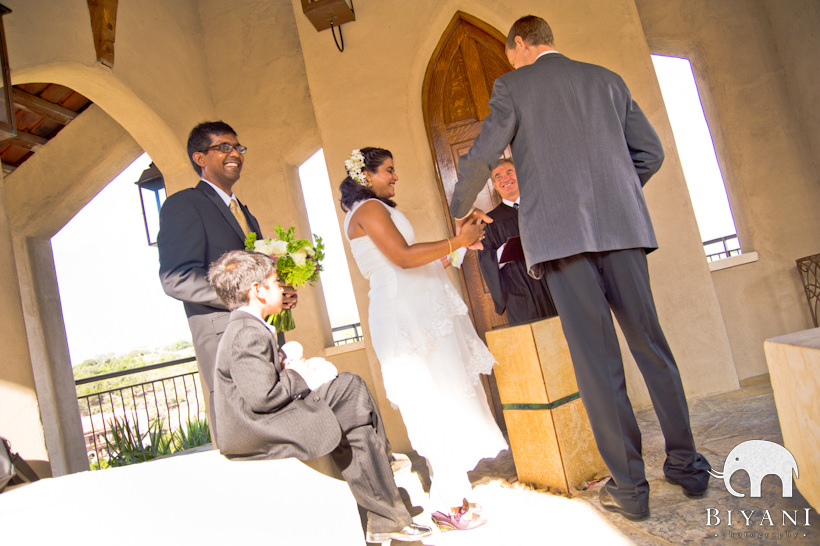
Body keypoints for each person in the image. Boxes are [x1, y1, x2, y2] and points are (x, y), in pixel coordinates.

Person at [449, 16, 710, 521]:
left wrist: (461, 207)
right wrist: (617, 193)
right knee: (652, 348)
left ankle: (632, 490)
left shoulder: (513, 86)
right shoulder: (607, 80)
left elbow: (482, 154)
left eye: (512, 53)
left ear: (520, 44)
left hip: (563, 245)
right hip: (624, 234)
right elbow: (650, 153)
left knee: (597, 363)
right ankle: (687, 465)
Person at [206, 250, 431, 544]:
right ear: (258, 291)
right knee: (349, 388)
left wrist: (287, 366)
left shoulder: (247, 327)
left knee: (355, 420)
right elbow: (263, 397)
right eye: (276, 282)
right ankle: (383, 477)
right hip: (258, 431)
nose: (282, 288)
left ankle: (385, 513)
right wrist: (297, 373)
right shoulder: (246, 331)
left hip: (264, 421)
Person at [340, 147, 507, 532]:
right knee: (429, 402)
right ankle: (446, 503)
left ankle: (454, 498)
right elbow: (401, 257)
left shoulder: (377, 208)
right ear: (364, 175)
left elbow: (415, 259)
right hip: (404, 319)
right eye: (388, 171)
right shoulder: (367, 211)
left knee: (446, 396)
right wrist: (456, 241)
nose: (395, 177)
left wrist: (461, 245)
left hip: (419, 311)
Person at [157, 121, 297, 441]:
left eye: (238, 147)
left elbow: (257, 276)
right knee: (245, 432)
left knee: (281, 425)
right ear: (200, 158)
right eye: (224, 147)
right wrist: (248, 298)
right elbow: (176, 279)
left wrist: (280, 294)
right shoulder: (185, 204)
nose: (235, 153)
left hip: (265, 335)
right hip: (224, 337)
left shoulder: (245, 214)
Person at [477, 158, 557, 326]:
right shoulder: (490, 221)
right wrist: (506, 250)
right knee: (533, 344)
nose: (505, 179)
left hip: (555, 282)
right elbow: (485, 259)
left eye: (509, 172)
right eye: (498, 176)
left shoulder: (541, 205)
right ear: (494, 185)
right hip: (520, 292)